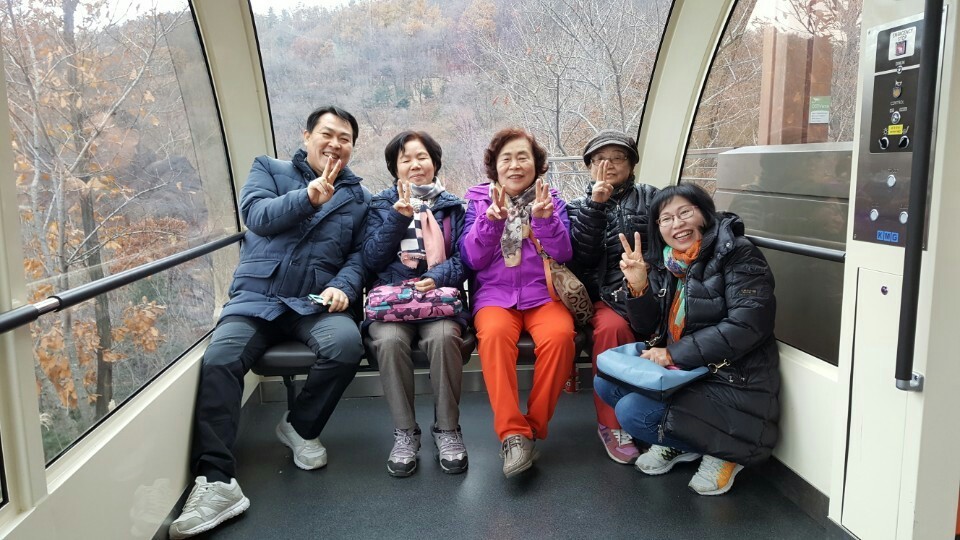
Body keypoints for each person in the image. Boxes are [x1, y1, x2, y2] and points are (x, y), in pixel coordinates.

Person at [169, 106, 370, 539]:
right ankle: (217, 481)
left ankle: (299, 427)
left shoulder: (360, 198)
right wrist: (307, 198)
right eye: (327, 134)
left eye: (345, 139)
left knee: (346, 345)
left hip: (313, 302)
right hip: (258, 297)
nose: (335, 144)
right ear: (306, 136)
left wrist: (343, 286)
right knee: (221, 359)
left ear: (353, 147)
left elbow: (358, 257)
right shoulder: (269, 169)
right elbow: (257, 216)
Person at [594, 183, 779, 496]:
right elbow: (647, 326)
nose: (676, 224)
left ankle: (727, 451)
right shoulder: (670, 263)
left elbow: (748, 324)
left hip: (733, 378)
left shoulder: (738, 253)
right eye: (666, 219)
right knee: (607, 383)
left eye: (684, 213)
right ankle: (684, 444)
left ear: (704, 214)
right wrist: (638, 287)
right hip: (691, 372)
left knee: (633, 411)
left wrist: (672, 354)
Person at [459, 127, 576, 478]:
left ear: (536, 164)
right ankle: (512, 433)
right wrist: (490, 224)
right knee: (494, 336)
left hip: (543, 295)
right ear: (494, 167)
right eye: (506, 158)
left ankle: (531, 430)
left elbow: (564, 253)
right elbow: (471, 259)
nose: (514, 165)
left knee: (560, 337)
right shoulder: (478, 202)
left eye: (522, 157)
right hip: (495, 296)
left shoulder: (550, 200)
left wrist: (545, 221)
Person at [362, 131, 469, 477]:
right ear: (394, 168)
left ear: (435, 162)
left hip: (438, 298)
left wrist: (437, 276)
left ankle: (447, 428)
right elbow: (371, 259)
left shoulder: (452, 208)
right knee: (389, 342)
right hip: (392, 303)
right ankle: (405, 432)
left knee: (444, 337)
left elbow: (465, 259)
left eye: (422, 157)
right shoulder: (379, 206)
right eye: (405, 159)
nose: (415, 164)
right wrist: (397, 219)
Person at [567, 129, 658, 465]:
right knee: (612, 329)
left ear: (632, 164)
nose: (609, 165)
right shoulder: (577, 207)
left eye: (618, 158)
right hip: (605, 297)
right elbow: (580, 258)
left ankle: (670, 420)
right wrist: (596, 205)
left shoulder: (652, 198)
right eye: (600, 159)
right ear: (590, 167)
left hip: (653, 289)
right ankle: (612, 424)